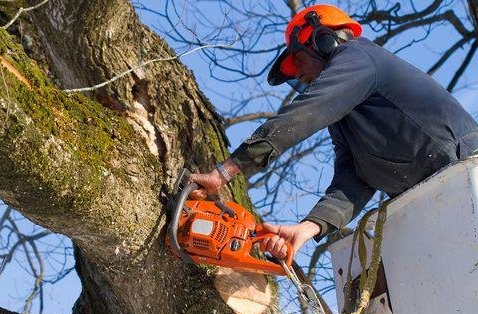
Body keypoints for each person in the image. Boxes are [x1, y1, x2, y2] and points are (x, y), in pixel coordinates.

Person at [189, 4, 478, 259]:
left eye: (299, 61)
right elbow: (353, 179)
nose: (299, 75)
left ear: (323, 40)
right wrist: (309, 227)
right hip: (436, 200)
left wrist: (225, 171)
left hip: (465, 171)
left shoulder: (360, 56)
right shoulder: (346, 119)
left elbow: (305, 114)